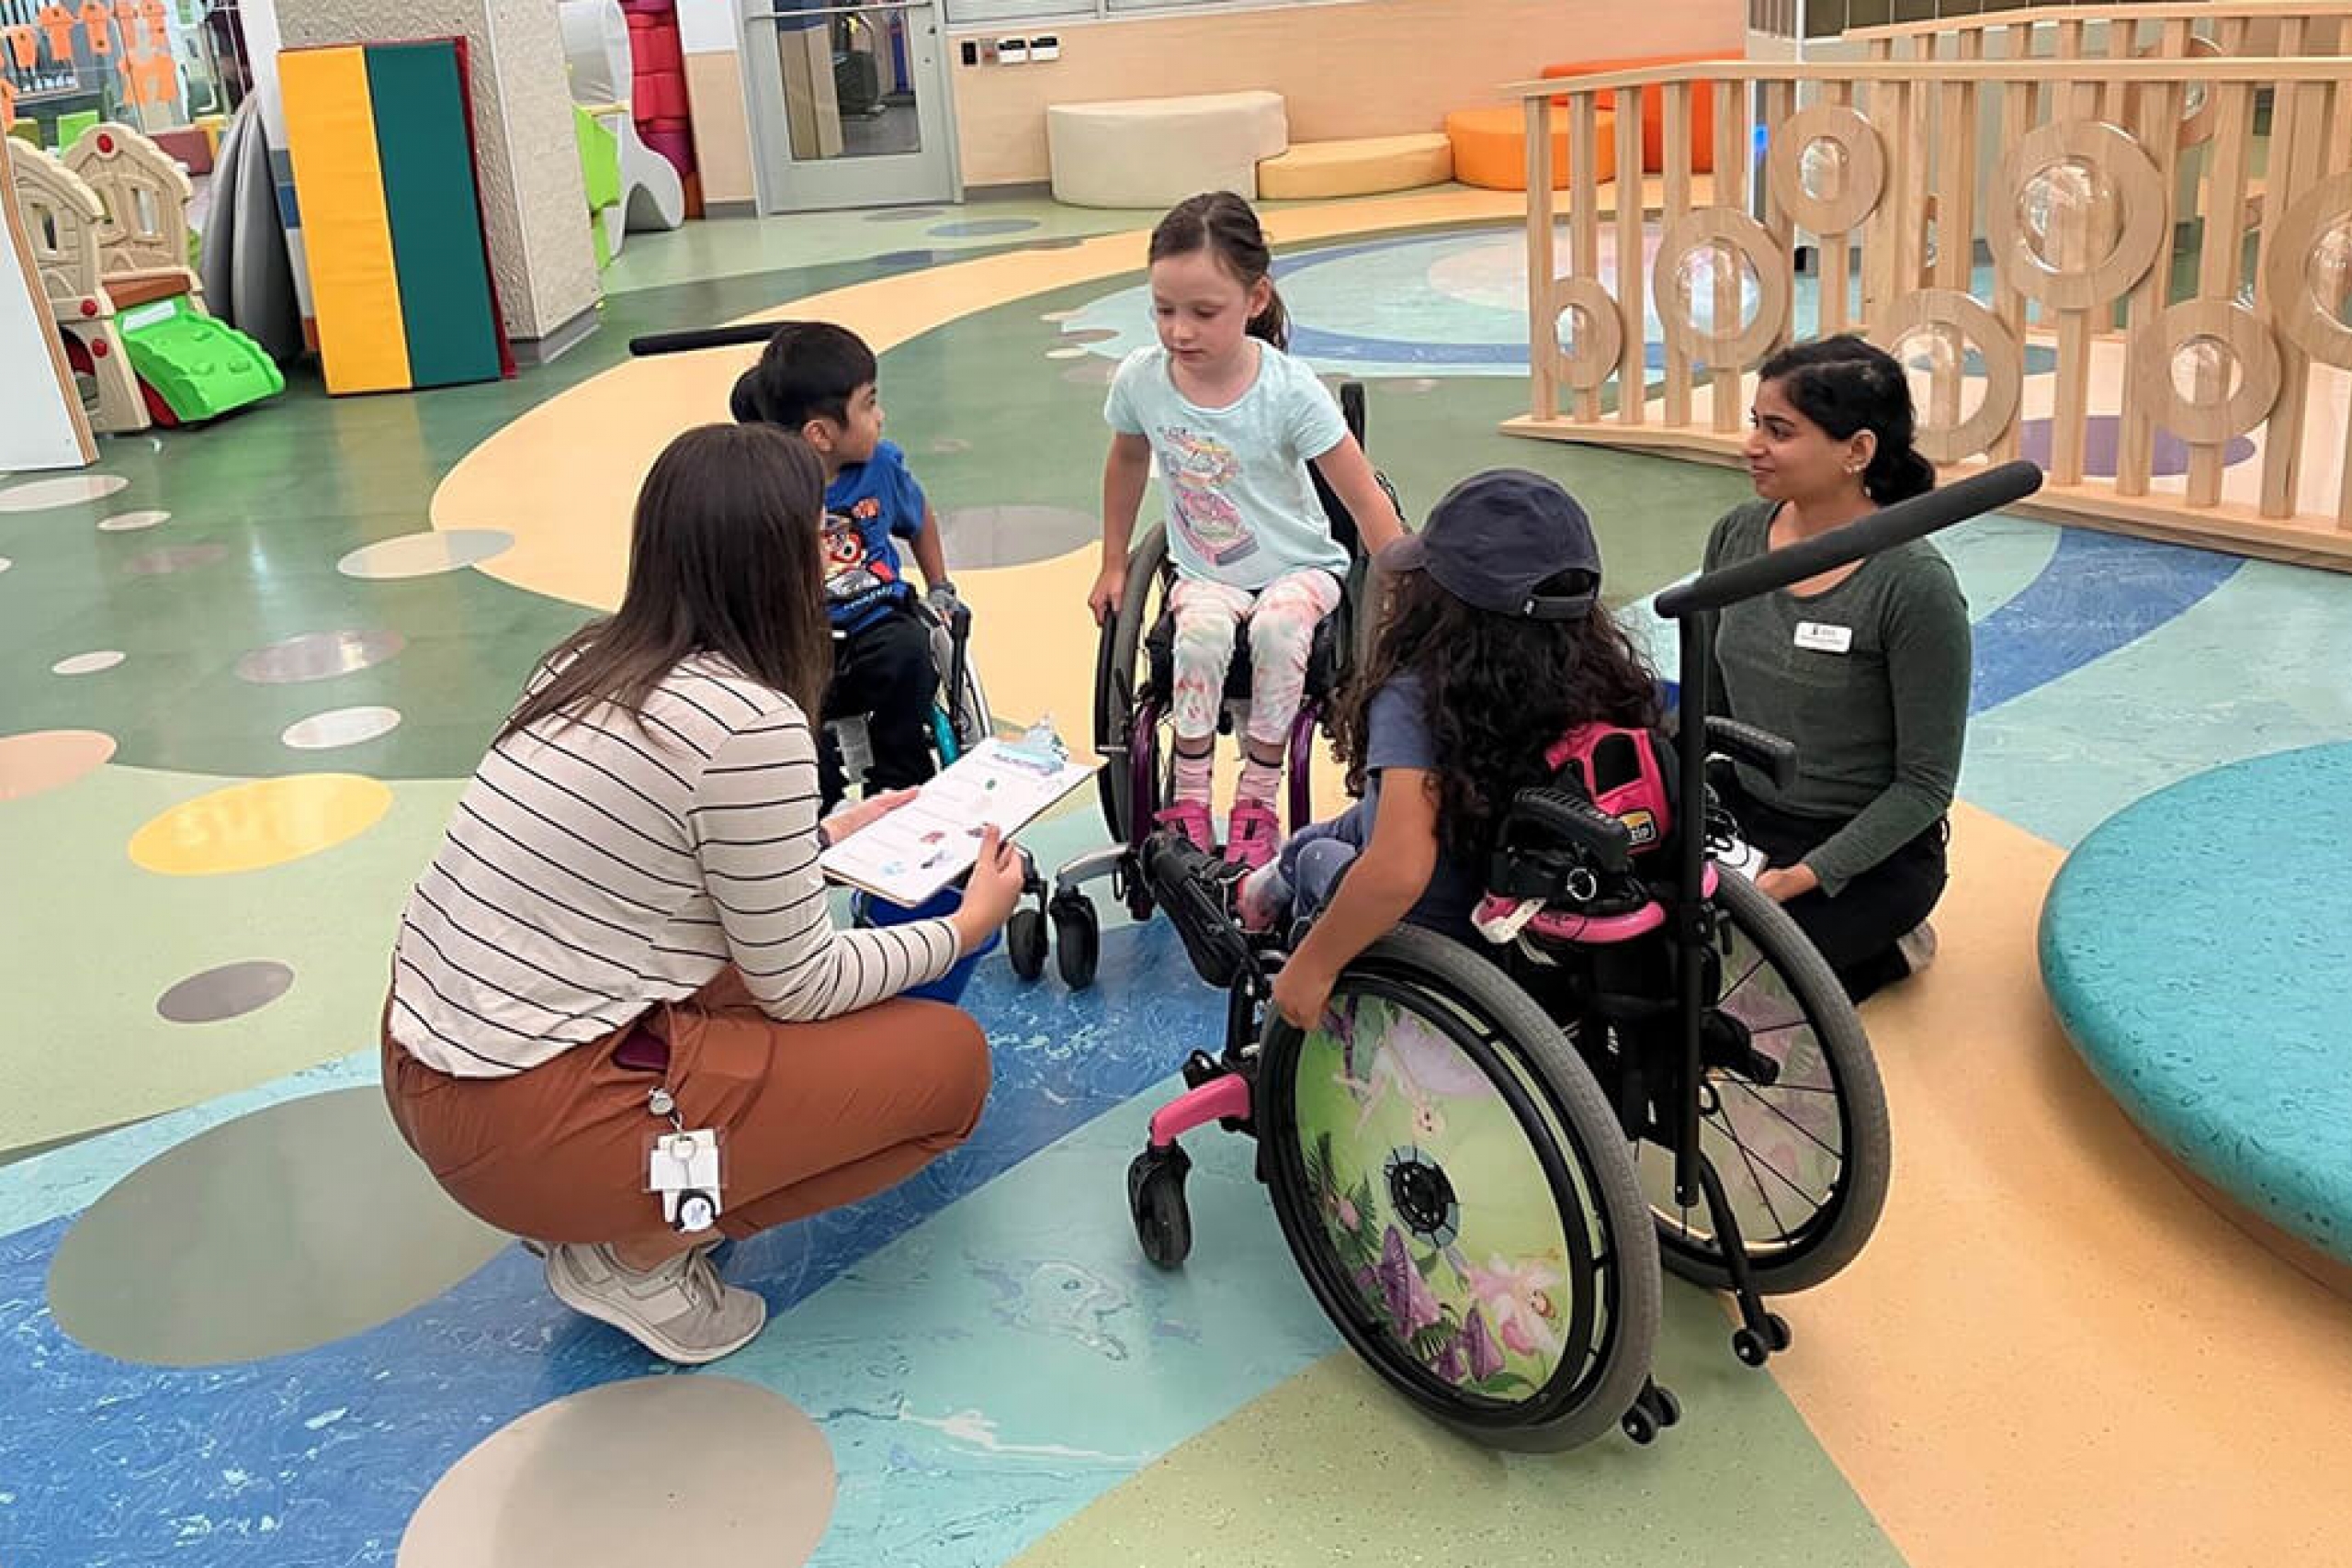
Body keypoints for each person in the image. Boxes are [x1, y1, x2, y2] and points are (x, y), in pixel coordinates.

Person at [379, 423, 1024, 1366]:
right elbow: (797, 984)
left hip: (434, 1062)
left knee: (765, 1001)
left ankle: (613, 1203)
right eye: (815, 532)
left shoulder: (587, 661)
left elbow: (653, 864)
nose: (831, 547)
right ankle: (643, 1244)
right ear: (769, 561)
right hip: (532, 1116)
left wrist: (826, 834)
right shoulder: (749, 722)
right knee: (950, 1072)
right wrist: (967, 929)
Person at [1231, 468, 1661, 1031]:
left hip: (1441, 935)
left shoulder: (1419, 696)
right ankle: (1261, 887)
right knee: (1331, 833)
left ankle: (1259, 909)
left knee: (1314, 857)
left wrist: (1310, 970)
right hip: (1536, 895)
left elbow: (1397, 873)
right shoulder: (1606, 680)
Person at [1091, 190, 1406, 872]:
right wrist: (1115, 561)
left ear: (1255, 298)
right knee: (1199, 634)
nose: (1179, 331)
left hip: (1300, 567)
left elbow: (1364, 496)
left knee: (1280, 628)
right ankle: (1193, 795)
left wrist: (1405, 585)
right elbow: (1126, 461)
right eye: (1163, 310)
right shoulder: (1144, 381)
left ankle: (1258, 796)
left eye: (1204, 313)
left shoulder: (1289, 391)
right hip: (1205, 571)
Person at [1704, 333, 1972, 1003]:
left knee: (1752, 987)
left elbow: (1924, 785)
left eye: (1780, 430)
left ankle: (1895, 944)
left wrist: (1804, 877)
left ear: (1856, 451)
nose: (1752, 445)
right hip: (1747, 814)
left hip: (1866, 849)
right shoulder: (1737, 535)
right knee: (1649, 945)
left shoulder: (1914, 584)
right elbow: (1710, 707)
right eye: (1754, 424)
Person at [732, 321, 960, 811]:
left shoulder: (881, 467)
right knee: (781, 691)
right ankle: (817, 790)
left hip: (875, 614)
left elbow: (918, 516)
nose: (881, 416)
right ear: (821, 434)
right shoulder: (770, 486)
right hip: (801, 632)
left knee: (909, 651)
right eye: (868, 404)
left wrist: (939, 584)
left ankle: (899, 778)